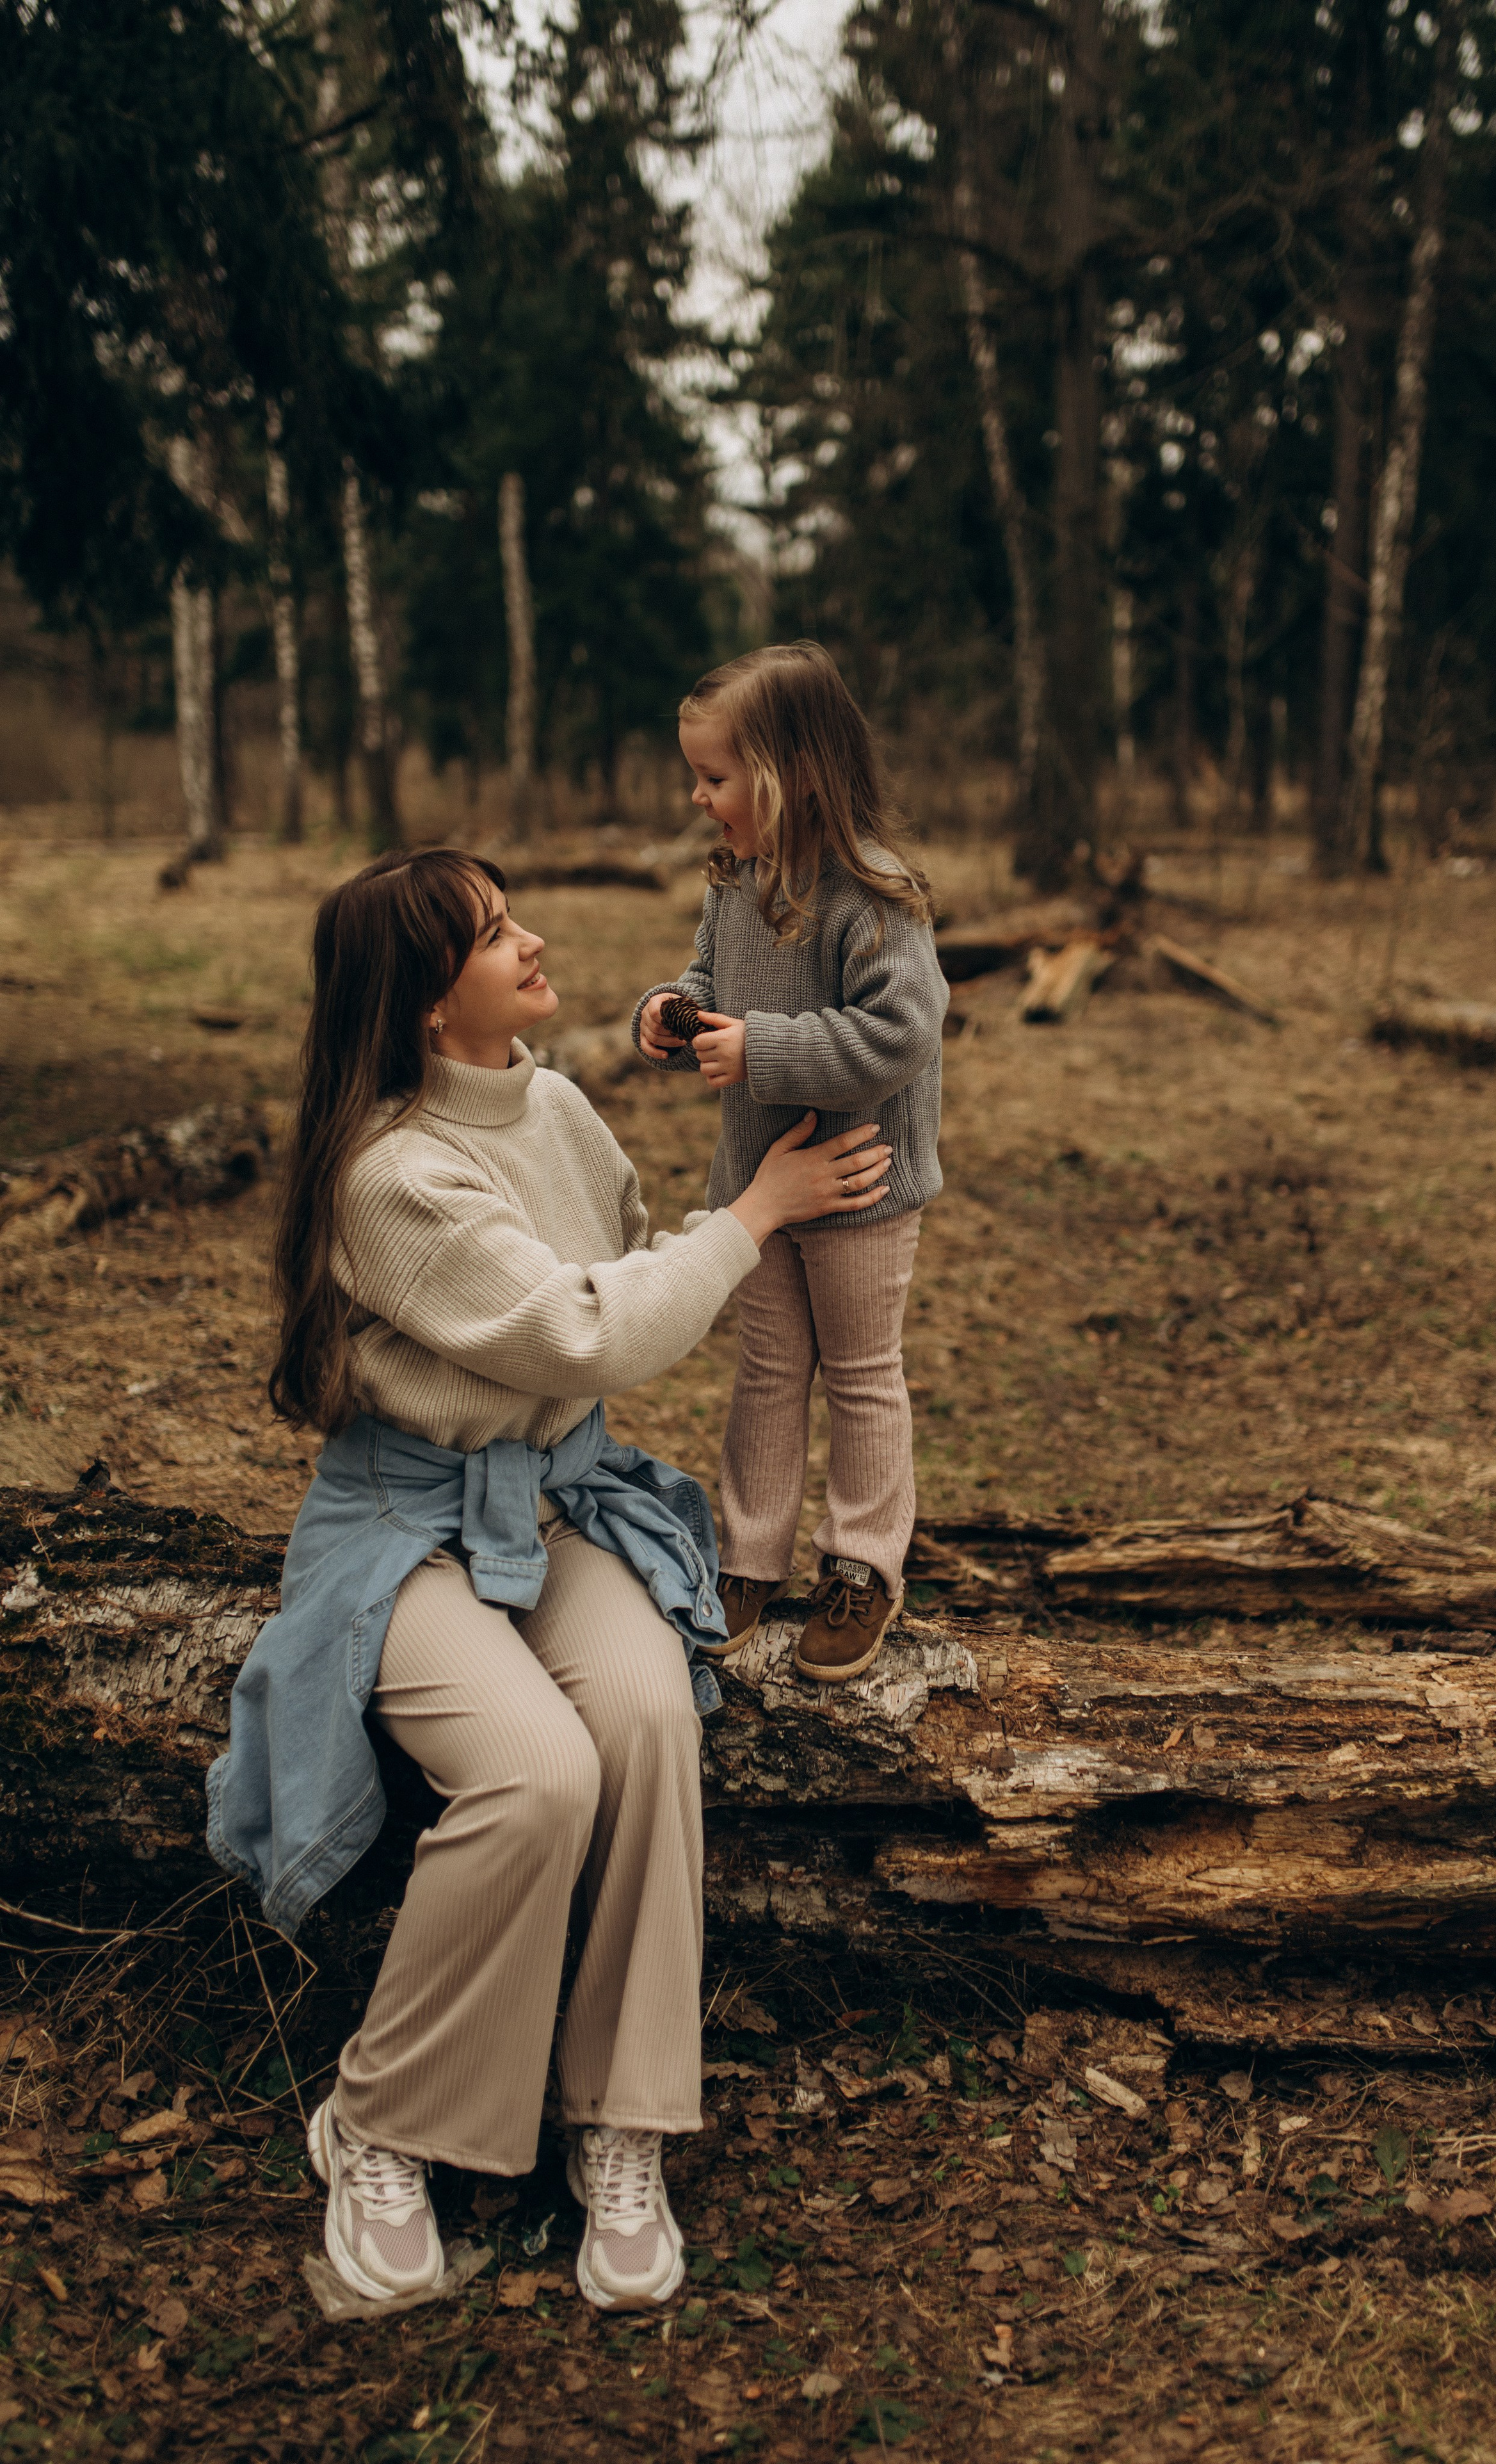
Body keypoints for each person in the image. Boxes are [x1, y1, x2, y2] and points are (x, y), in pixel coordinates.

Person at [205, 847, 891, 2312]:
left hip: (557, 1498)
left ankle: (618, 2121)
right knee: (535, 1772)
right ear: (421, 1000)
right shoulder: (390, 1174)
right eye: (491, 932)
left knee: (646, 1717)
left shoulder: (557, 1106)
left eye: (514, 914)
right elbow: (581, 1330)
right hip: (407, 1528)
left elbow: (630, 1273)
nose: (530, 940)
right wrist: (754, 1216)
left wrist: (751, 1216)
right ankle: (379, 2120)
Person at [634, 642, 947, 1684]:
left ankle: (863, 1565)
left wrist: (761, 1047)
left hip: (860, 1183)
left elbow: (901, 1035)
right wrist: (670, 1012)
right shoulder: (735, 884)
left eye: (716, 779)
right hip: (758, 1189)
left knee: (860, 1375)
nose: (699, 797)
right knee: (767, 1374)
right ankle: (747, 1558)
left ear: (790, 771)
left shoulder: (874, 893)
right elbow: (708, 975)